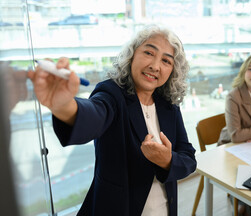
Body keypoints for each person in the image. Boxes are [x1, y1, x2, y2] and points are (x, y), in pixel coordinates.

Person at [28, 25, 197, 216]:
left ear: (173, 71)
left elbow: (188, 158)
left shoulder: (168, 105)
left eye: (166, 61)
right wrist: (64, 105)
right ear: (132, 55)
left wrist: (168, 160)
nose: (155, 66)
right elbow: (93, 116)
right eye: (149, 52)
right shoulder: (111, 94)